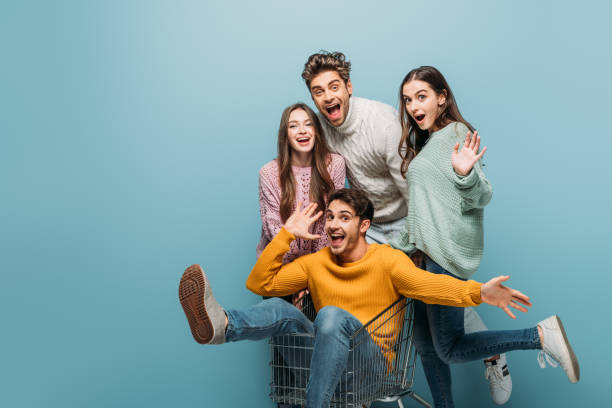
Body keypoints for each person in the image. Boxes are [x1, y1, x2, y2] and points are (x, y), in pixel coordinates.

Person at [178, 188, 578, 408]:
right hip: (321, 365)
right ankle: (220, 327)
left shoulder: (388, 261)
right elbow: (258, 284)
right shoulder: (316, 261)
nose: (332, 223)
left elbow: (430, 287)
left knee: (331, 316)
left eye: (343, 218)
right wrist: (286, 234)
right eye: (329, 217)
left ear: (364, 226)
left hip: (369, 373)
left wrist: (479, 292)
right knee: (284, 309)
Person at [301, 51, 509, 402]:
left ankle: (492, 353)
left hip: (407, 220)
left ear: (348, 87)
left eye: (334, 86)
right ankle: (372, 378)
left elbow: (413, 187)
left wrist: (417, 243)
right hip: (370, 226)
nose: (327, 97)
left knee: (434, 304)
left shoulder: (380, 122)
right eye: (318, 91)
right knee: (402, 315)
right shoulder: (323, 128)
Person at [391, 66, 580, 407]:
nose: (413, 106)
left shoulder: (455, 133)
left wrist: (465, 175)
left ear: (441, 98)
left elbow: (482, 195)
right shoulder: (428, 142)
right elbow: (422, 211)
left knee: (448, 347)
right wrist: (399, 251)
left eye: (422, 96)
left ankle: (538, 336)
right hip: (420, 261)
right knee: (425, 346)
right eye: (407, 100)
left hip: (442, 260)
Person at [256, 103, 345, 408]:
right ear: (285, 133)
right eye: (294, 125)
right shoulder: (269, 173)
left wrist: (309, 276)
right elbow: (274, 231)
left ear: (317, 130)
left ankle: (324, 401)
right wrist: (293, 281)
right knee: (284, 372)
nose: (303, 131)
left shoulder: (334, 165)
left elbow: (334, 226)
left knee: (316, 351)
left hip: (319, 273)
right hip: (279, 272)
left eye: (308, 124)